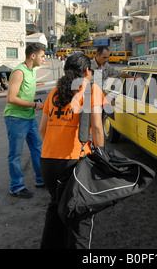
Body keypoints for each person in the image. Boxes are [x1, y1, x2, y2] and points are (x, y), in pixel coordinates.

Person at [39, 52, 108, 249]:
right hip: (73, 162)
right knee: (80, 215)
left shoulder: (54, 92)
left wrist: (54, 148)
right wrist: (102, 156)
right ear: (86, 71)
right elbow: (96, 128)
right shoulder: (91, 90)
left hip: (48, 163)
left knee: (56, 209)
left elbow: (43, 129)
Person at [3, 42, 46, 198]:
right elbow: (11, 98)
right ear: (33, 56)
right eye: (42, 56)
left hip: (29, 117)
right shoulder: (19, 72)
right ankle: (16, 186)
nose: (44, 59)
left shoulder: (32, 70)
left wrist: (34, 102)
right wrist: (35, 104)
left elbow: (24, 94)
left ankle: (41, 179)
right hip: (15, 118)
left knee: (38, 149)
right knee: (15, 154)